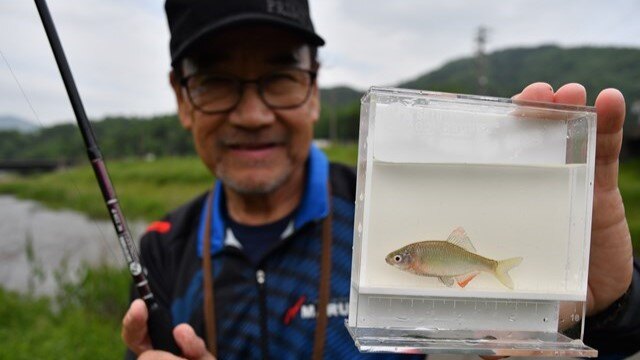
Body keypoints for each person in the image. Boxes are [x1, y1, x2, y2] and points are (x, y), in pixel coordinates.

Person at [122, 1, 640, 359]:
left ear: (314, 90)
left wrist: (610, 310)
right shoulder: (162, 252)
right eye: (215, 81)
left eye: (280, 76)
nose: (254, 114)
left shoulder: (379, 209)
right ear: (181, 98)